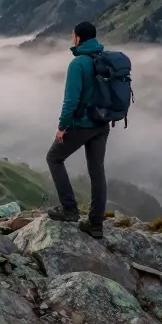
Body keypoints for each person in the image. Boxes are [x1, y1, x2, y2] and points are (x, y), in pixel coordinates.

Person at [46, 20, 110, 238]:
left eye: (72, 35)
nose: (71, 38)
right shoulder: (104, 59)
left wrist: (62, 127)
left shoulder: (78, 64)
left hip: (82, 124)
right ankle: (96, 225)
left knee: (54, 158)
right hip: (102, 123)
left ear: (78, 38)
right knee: (97, 171)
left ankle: (70, 209)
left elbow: (71, 100)